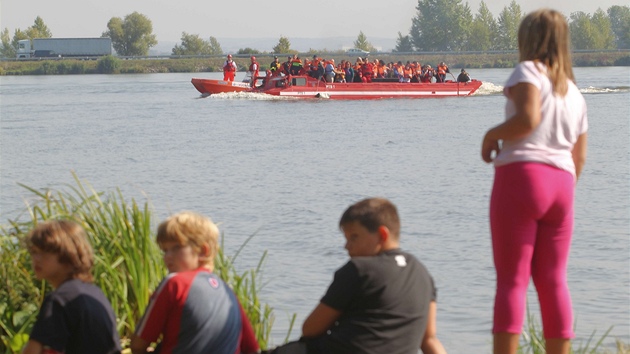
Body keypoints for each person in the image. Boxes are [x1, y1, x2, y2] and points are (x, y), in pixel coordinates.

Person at [480, 9, 588, 354]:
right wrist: (562, 188)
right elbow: (579, 157)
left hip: (523, 177)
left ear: (527, 41)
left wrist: (490, 135)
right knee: (554, 281)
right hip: (562, 187)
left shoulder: (527, 71)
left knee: (512, 281)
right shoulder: (574, 92)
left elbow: (528, 118)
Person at [267, 198, 447, 354]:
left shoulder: (359, 269)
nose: (347, 246)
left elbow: (310, 329)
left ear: (382, 234)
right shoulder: (422, 272)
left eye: (354, 237)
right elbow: (429, 339)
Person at [130, 211, 260, 354]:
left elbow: (138, 345)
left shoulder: (175, 284)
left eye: (176, 248)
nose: (167, 257)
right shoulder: (228, 292)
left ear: (203, 251)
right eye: (165, 250)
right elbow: (252, 349)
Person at [22, 220, 121, 354]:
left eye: (44, 252)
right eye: (34, 252)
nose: (36, 259)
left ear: (69, 255)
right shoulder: (96, 293)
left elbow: (32, 351)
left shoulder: (59, 300)